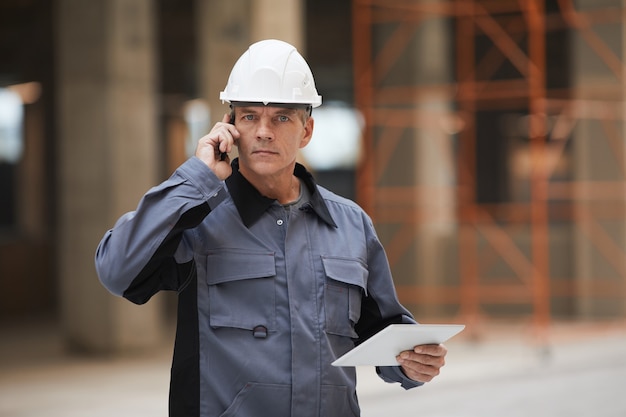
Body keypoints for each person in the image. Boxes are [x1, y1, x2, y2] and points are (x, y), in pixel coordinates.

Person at [95, 39, 447, 417]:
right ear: (229, 128)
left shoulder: (351, 224)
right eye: (249, 116)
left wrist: (412, 362)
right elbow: (117, 271)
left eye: (281, 117)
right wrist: (196, 179)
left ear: (306, 131)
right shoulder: (198, 220)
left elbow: (384, 331)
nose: (263, 131)